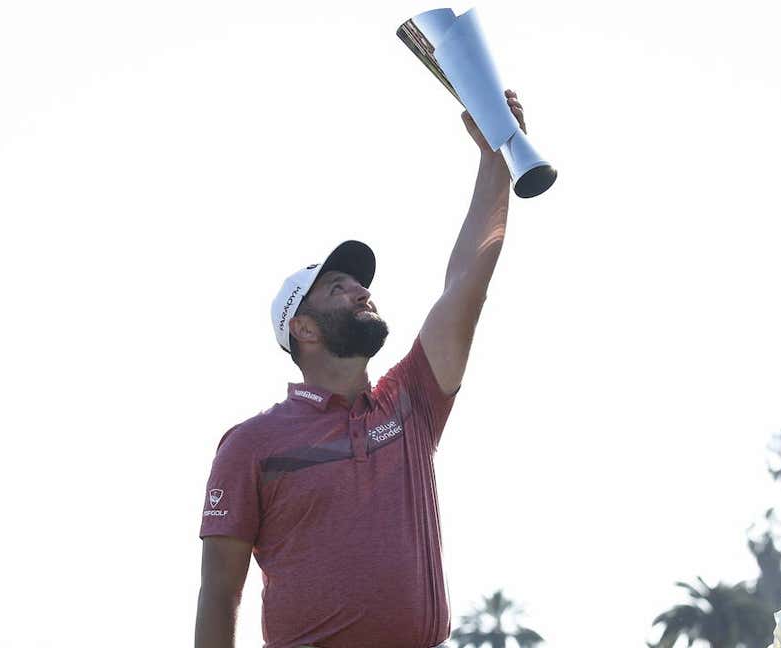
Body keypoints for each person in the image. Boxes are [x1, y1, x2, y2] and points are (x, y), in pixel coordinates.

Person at [194, 90, 529, 648]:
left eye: (358, 283)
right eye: (337, 287)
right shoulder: (250, 445)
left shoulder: (412, 399)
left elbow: (468, 278)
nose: (361, 290)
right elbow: (219, 592)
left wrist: (494, 159)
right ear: (303, 329)